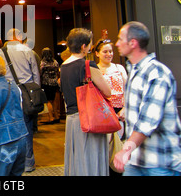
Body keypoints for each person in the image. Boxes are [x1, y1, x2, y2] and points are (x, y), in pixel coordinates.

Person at [113, 21, 181, 176]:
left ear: (132, 43)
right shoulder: (134, 71)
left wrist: (125, 150)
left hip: (161, 162)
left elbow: (148, 120)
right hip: (136, 160)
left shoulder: (157, 73)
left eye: (120, 39)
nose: (117, 43)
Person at [60, 28, 112, 176]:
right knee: (91, 160)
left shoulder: (63, 67)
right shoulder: (87, 65)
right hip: (90, 119)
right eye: (89, 44)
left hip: (72, 120)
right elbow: (107, 91)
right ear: (83, 46)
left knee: (77, 160)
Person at [0, 28, 40, 172]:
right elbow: (35, 75)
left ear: (8, 38)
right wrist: (36, 94)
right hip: (27, 95)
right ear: (19, 36)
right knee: (27, 128)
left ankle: (10, 162)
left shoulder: (0, 52)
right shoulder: (28, 51)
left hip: (8, 93)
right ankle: (28, 162)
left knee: (8, 127)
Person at [40, 47, 61, 124]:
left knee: (48, 101)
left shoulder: (43, 63)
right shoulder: (55, 62)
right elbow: (58, 72)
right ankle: (56, 116)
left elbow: (40, 73)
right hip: (55, 83)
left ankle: (51, 117)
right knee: (54, 100)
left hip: (46, 83)